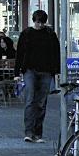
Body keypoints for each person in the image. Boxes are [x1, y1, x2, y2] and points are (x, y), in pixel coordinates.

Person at [15, 9, 60, 143]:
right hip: (30, 70)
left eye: (42, 22)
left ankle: (38, 133)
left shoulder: (50, 34)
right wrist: (16, 73)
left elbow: (56, 53)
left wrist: (56, 71)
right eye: (37, 22)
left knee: (41, 102)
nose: (39, 25)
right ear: (34, 20)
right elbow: (20, 53)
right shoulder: (27, 33)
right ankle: (28, 132)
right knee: (30, 100)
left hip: (46, 71)